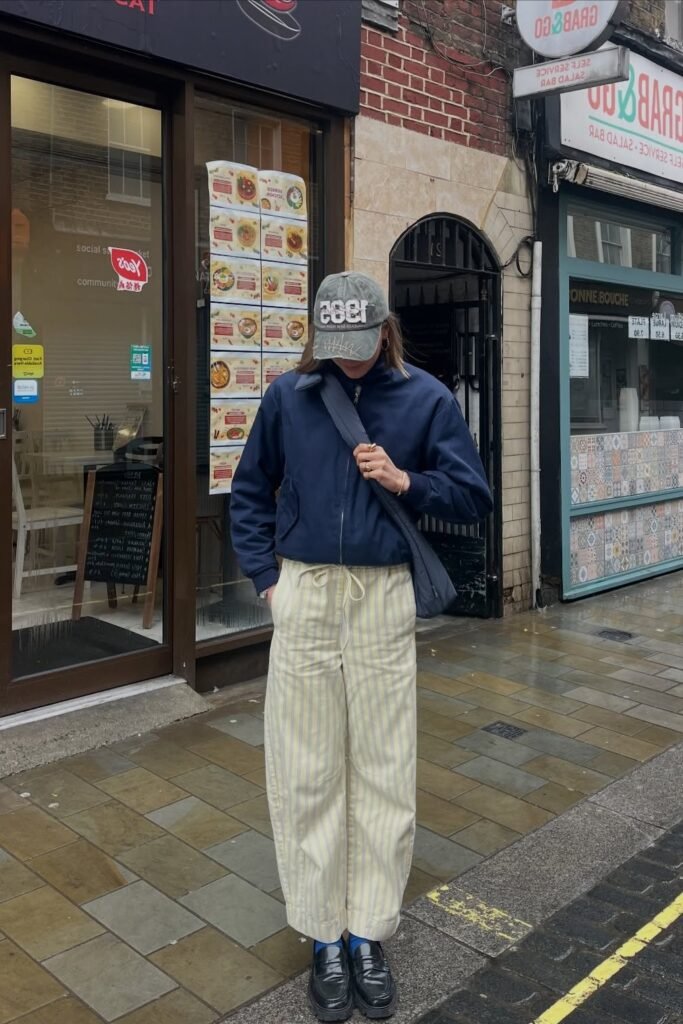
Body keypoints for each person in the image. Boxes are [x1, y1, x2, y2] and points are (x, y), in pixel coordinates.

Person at [230, 271, 492, 1021]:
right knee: (305, 767)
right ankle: (321, 935)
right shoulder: (289, 396)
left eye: (359, 344)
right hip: (305, 590)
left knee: (383, 767)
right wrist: (268, 584)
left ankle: (366, 931)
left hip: (381, 595)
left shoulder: (426, 398)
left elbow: (471, 494)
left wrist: (406, 479)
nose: (346, 361)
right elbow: (250, 491)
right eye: (333, 346)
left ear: (383, 329)